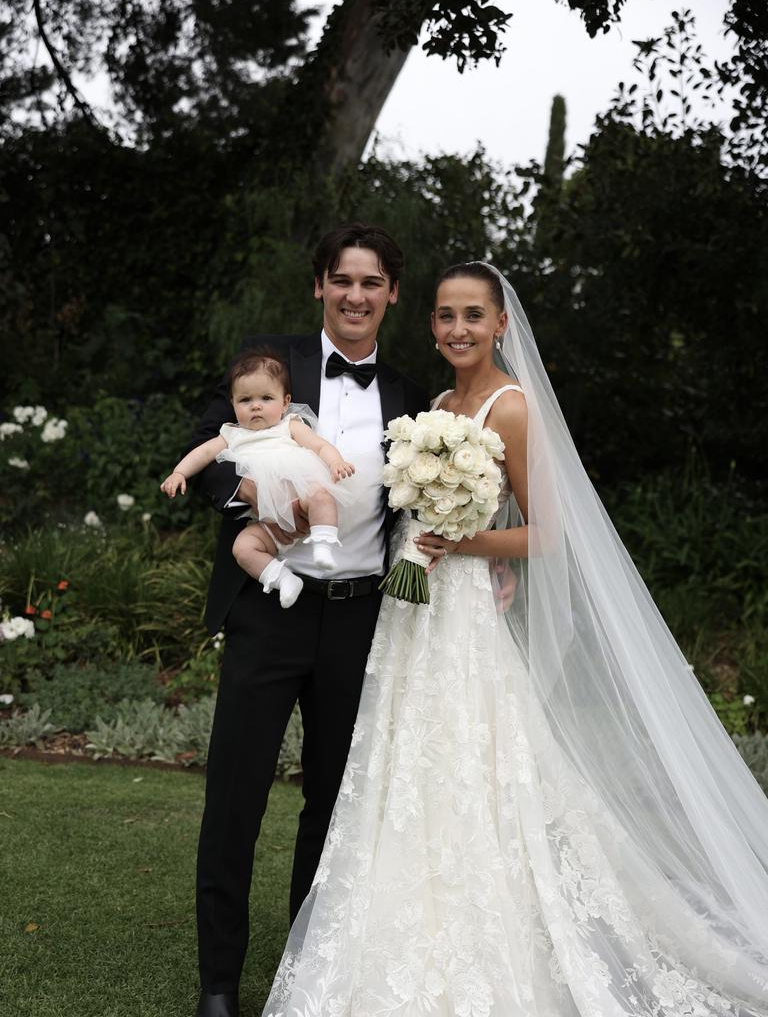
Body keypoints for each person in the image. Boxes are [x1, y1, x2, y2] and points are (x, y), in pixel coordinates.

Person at [262, 263, 768, 1016]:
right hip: (411, 613)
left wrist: (463, 548)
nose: (458, 329)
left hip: (459, 612)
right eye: (444, 316)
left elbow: (547, 533)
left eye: (473, 315)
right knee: (402, 768)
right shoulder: (431, 406)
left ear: (502, 324)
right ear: (429, 325)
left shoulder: (512, 407)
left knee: (470, 764)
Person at [190, 223, 429, 1017]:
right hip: (270, 604)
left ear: (392, 294)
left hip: (359, 620)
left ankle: (307, 971)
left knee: (332, 800)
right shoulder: (271, 363)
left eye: (371, 283)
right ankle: (219, 983)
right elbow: (209, 449)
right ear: (320, 287)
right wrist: (247, 494)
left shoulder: (407, 393)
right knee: (237, 793)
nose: (355, 295)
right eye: (342, 280)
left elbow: (418, 506)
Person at [160, 348, 359, 608]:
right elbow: (204, 452)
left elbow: (319, 446)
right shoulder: (231, 434)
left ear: (285, 402)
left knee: (321, 495)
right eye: (245, 400)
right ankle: (283, 579)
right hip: (267, 521)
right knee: (242, 548)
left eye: (266, 398)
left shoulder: (290, 425)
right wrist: (179, 472)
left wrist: (335, 462)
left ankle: (323, 544)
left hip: (300, 498)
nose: (256, 405)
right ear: (232, 403)